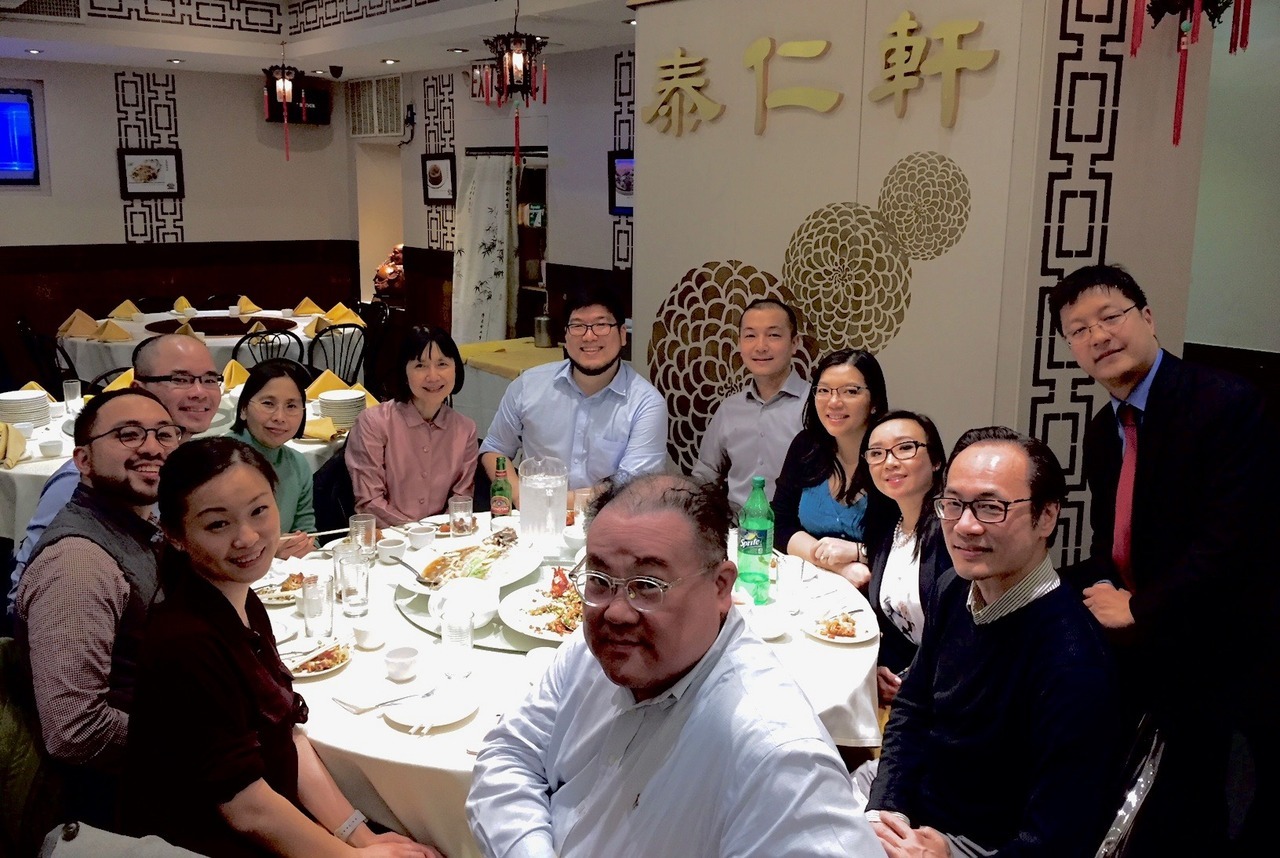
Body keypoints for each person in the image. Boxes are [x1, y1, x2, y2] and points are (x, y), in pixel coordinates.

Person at [466, 474, 883, 857]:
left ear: (721, 586)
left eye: (647, 586)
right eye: (600, 580)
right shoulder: (593, 652)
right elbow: (509, 756)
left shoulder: (775, 754)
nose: (616, 611)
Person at [1049, 263, 1278, 855]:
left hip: (1223, 648)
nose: (1099, 336)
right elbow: (1113, 542)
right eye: (1079, 330)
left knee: (1217, 808)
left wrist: (1141, 608)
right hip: (1150, 647)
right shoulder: (1104, 430)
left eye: (1110, 317)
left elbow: (1234, 541)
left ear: (1147, 318)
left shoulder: (1224, 403)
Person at [123, 437, 444, 858]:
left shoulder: (241, 599)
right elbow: (245, 807)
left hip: (277, 816)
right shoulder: (185, 643)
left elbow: (285, 733)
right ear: (176, 535)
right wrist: (353, 857)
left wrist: (359, 835)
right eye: (218, 524)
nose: (247, 537)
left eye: (259, 511)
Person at [866, 427, 1123, 857]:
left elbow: (1056, 840)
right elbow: (913, 708)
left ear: (1046, 517)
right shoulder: (953, 588)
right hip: (915, 812)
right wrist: (886, 810)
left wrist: (945, 854)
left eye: (991, 507)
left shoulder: (1073, 663)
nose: (965, 526)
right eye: (953, 504)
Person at [14, 389, 183, 827]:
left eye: (165, 434)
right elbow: (74, 731)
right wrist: (201, 737)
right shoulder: (79, 563)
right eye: (128, 434)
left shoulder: (138, 524)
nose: (152, 447)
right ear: (83, 461)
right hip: (137, 800)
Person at [6, 333, 225, 619]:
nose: (199, 392)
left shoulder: (179, 462)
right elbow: (33, 592)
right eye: (180, 379)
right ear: (138, 389)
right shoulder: (86, 478)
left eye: (209, 379)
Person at [478, 283, 667, 506]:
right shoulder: (528, 385)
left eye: (601, 325)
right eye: (577, 326)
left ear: (623, 335)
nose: (589, 336)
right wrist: (518, 495)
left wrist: (547, 500)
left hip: (608, 519)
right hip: (534, 518)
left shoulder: (646, 403)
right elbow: (495, 449)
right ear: (565, 336)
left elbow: (633, 488)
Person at [773, 348, 888, 587]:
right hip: (811, 584)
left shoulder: (892, 456)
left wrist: (859, 552)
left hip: (878, 591)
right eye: (824, 390)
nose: (834, 402)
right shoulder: (806, 446)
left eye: (850, 391)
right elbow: (780, 524)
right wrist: (839, 566)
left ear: (874, 401)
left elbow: (913, 542)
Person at [345, 325, 477, 527]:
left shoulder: (465, 429)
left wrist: (442, 533)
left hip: (442, 538)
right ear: (404, 372)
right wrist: (417, 532)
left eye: (442, 364)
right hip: (388, 538)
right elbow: (369, 502)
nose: (433, 376)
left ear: (456, 369)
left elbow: (461, 500)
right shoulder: (374, 422)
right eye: (420, 366)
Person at [860, 410, 950, 707]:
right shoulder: (887, 529)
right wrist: (881, 670)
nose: (889, 461)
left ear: (936, 461)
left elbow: (966, 638)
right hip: (903, 689)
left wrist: (913, 685)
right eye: (877, 453)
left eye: (905, 448)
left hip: (947, 695)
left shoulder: (952, 532)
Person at [691, 297, 808, 508]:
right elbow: (706, 475)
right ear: (740, 343)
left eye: (773, 335)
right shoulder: (729, 409)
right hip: (736, 523)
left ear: (794, 343)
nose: (760, 346)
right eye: (750, 336)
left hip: (796, 526)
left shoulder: (817, 405)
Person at [229, 358, 315, 559]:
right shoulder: (221, 461)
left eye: (291, 406)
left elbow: (308, 531)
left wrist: (304, 546)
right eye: (268, 404)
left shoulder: (297, 464)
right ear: (243, 409)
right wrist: (269, 552)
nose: (280, 417)